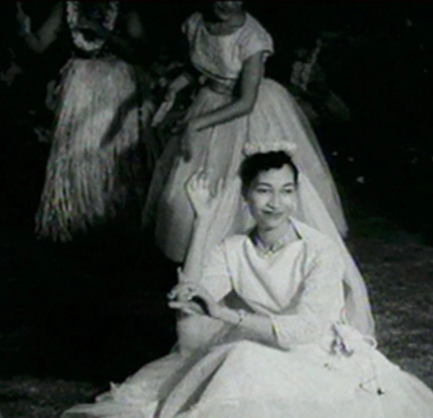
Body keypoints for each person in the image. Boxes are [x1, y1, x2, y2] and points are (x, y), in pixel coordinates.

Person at [52, 149, 433, 418]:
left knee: (243, 361)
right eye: (264, 190)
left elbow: (304, 329)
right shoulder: (234, 248)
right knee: (238, 363)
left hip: (318, 357)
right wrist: (201, 221)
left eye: (287, 190)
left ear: (298, 194)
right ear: (246, 196)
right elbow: (191, 303)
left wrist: (228, 316)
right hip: (255, 346)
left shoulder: (319, 250)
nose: (276, 202)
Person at [143, 2, 347, 273]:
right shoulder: (195, 23)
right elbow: (199, 67)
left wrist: (195, 124)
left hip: (247, 112)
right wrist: (173, 89)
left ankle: (256, 265)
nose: (226, 5)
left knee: (245, 188)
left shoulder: (253, 37)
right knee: (190, 192)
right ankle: (205, 262)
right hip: (209, 101)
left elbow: (246, 102)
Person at [15, 2, 154, 242]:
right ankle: (78, 220)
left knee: (112, 153)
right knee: (79, 153)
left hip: (116, 86)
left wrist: (102, 32)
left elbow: (140, 52)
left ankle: (114, 220)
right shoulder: (67, 5)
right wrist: (24, 30)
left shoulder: (124, 7)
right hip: (80, 86)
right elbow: (39, 45)